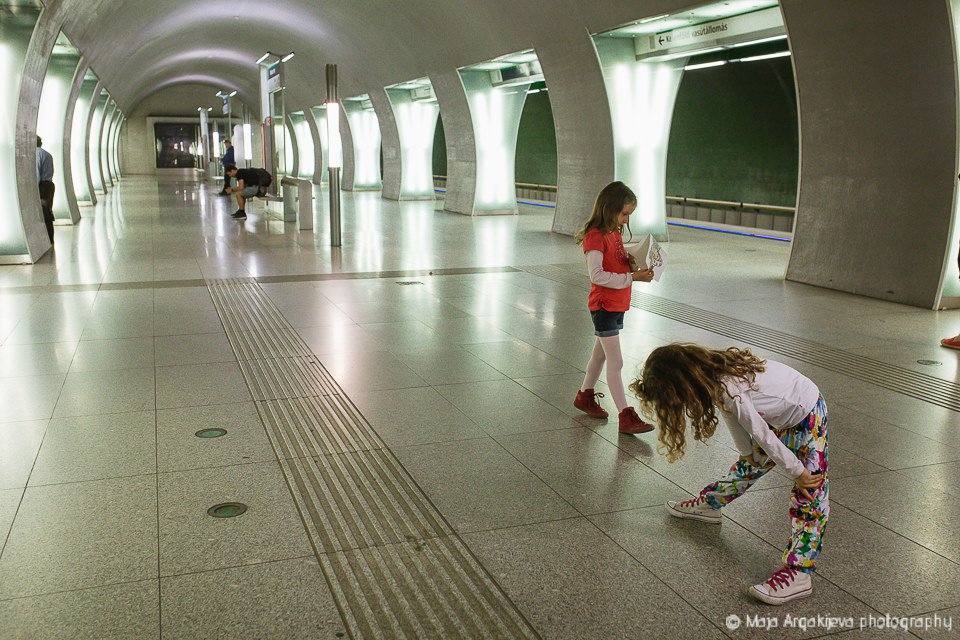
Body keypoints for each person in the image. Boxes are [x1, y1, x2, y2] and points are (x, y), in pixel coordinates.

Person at [630, 343, 829, 605]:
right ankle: (710, 506)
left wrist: (798, 471)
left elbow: (762, 433)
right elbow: (731, 415)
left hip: (807, 413)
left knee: (810, 491)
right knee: (749, 464)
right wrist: (745, 452)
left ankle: (800, 573)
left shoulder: (730, 387)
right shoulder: (712, 376)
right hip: (781, 415)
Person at [572, 181, 655, 434]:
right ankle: (625, 415)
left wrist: (630, 261)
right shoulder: (595, 236)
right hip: (604, 307)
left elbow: (614, 261)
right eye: (624, 214)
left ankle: (585, 396)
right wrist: (633, 277)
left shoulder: (613, 232)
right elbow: (597, 275)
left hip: (617, 304)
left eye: (629, 214)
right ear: (609, 208)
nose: (626, 220)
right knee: (616, 362)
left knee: (599, 355)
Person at [36, 136, 55, 244]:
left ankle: (46, 239)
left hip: (42, 187)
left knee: (43, 213)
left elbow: (37, 173)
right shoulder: (47, 154)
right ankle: (50, 238)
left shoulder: (37, 154)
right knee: (47, 211)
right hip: (49, 185)